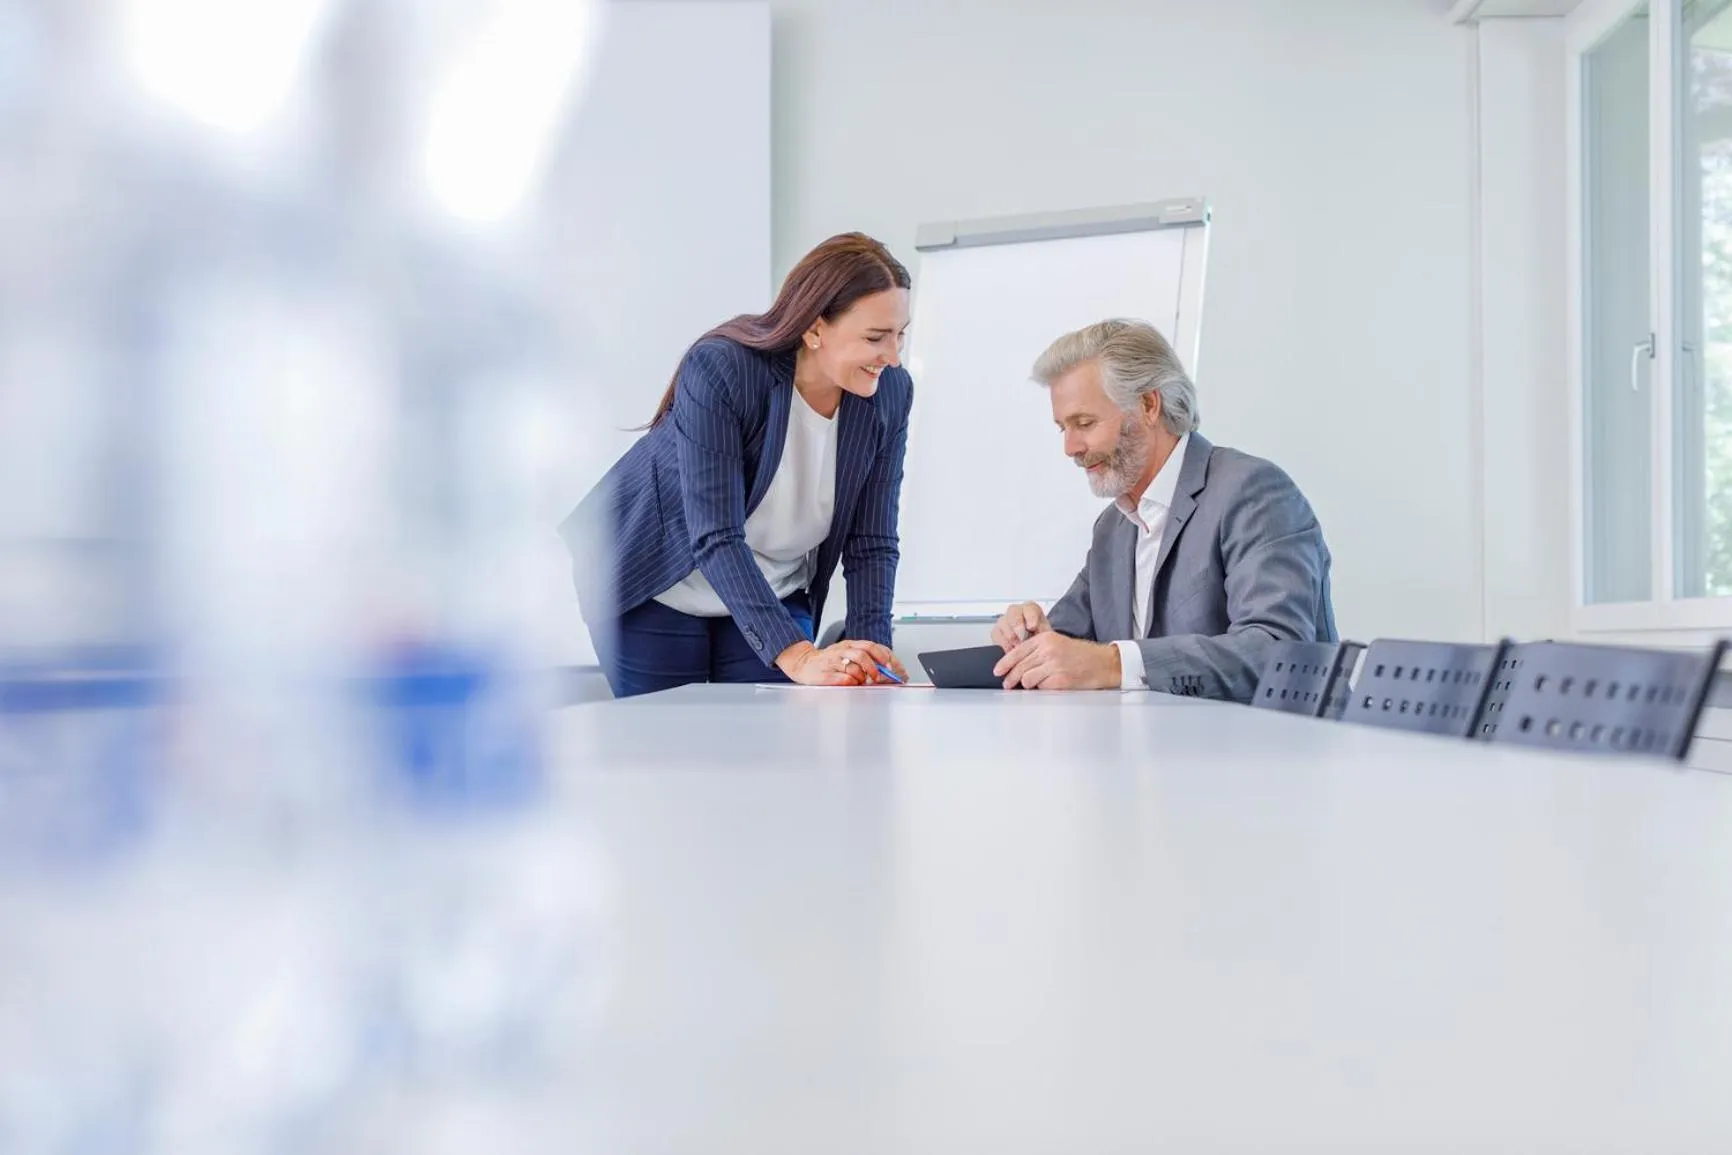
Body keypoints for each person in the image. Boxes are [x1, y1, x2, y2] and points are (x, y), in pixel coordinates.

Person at [561, 233, 915, 698]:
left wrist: (872, 653)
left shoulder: (890, 393)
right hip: (659, 580)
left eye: (900, 334)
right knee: (670, 752)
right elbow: (715, 533)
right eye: (876, 338)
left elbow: (872, 542)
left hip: (772, 587)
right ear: (814, 329)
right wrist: (800, 655)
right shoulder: (724, 368)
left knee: (776, 749)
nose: (893, 356)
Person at [989, 318, 1336, 700]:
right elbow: (1068, 644)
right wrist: (1029, 641)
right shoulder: (1114, 527)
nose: (1070, 447)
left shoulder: (1252, 492)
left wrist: (1114, 663)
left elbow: (1277, 651)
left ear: (1149, 405)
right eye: (1062, 428)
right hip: (1158, 751)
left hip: (1269, 752)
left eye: (1084, 423)